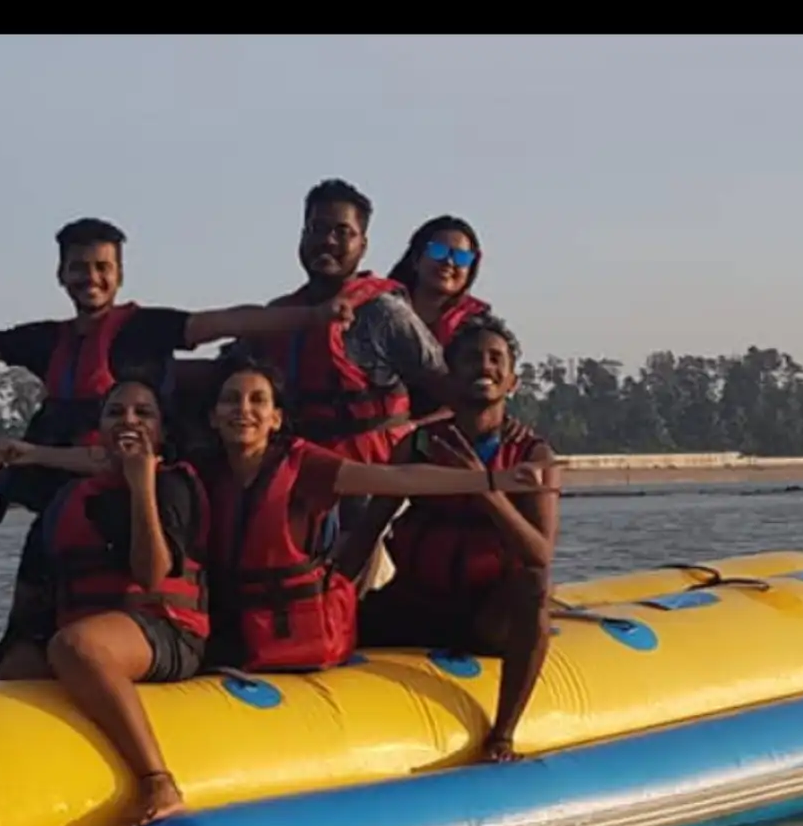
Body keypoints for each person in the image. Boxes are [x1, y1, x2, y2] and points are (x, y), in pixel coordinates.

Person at [0, 216, 351, 521]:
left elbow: (230, 320)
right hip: (63, 494)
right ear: (62, 274)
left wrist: (314, 314)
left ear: (119, 274)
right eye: (79, 268)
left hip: (136, 492)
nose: (91, 278)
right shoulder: (45, 340)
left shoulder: (149, 328)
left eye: (102, 268)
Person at [0, 379, 208, 826]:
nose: (129, 421)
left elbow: (152, 575)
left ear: (161, 430)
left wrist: (142, 486)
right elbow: (33, 595)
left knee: (77, 648)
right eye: (116, 412)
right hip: (80, 632)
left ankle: (158, 782)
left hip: (165, 629)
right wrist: (9, 656)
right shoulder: (69, 500)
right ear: (98, 429)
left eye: (144, 413)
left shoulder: (172, 486)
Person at [187, 351, 557, 674]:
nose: (243, 410)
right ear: (213, 416)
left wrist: (490, 481)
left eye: (258, 401)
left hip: (290, 638)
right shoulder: (201, 475)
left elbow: (397, 479)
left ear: (277, 418)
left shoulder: (304, 467)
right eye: (231, 400)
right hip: (235, 626)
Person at [189, 179, 456, 592]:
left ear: (362, 245)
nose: (326, 241)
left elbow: (448, 392)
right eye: (316, 229)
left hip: (372, 492)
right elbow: (219, 373)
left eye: (341, 232)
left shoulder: (386, 314)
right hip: (302, 486)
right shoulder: (280, 318)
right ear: (302, 237)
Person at [349, 313, 560, 764]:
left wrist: (482, 486)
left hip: (485, 616)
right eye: (470, 359)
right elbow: (368, 529)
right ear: (451, 375)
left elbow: (539, 553)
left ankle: (502, 734)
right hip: (417, 602)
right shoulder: (419, 446)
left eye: (494, 359)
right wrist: (328, 599)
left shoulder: (532, 455)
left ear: (512, 382)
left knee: (533, 588)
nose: (483, 366)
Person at [387, 215, 492, 351]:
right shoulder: (379, 308)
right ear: (416, 258)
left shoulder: (477, 325)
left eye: (461, 257)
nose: (449, 262)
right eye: (438, 251)